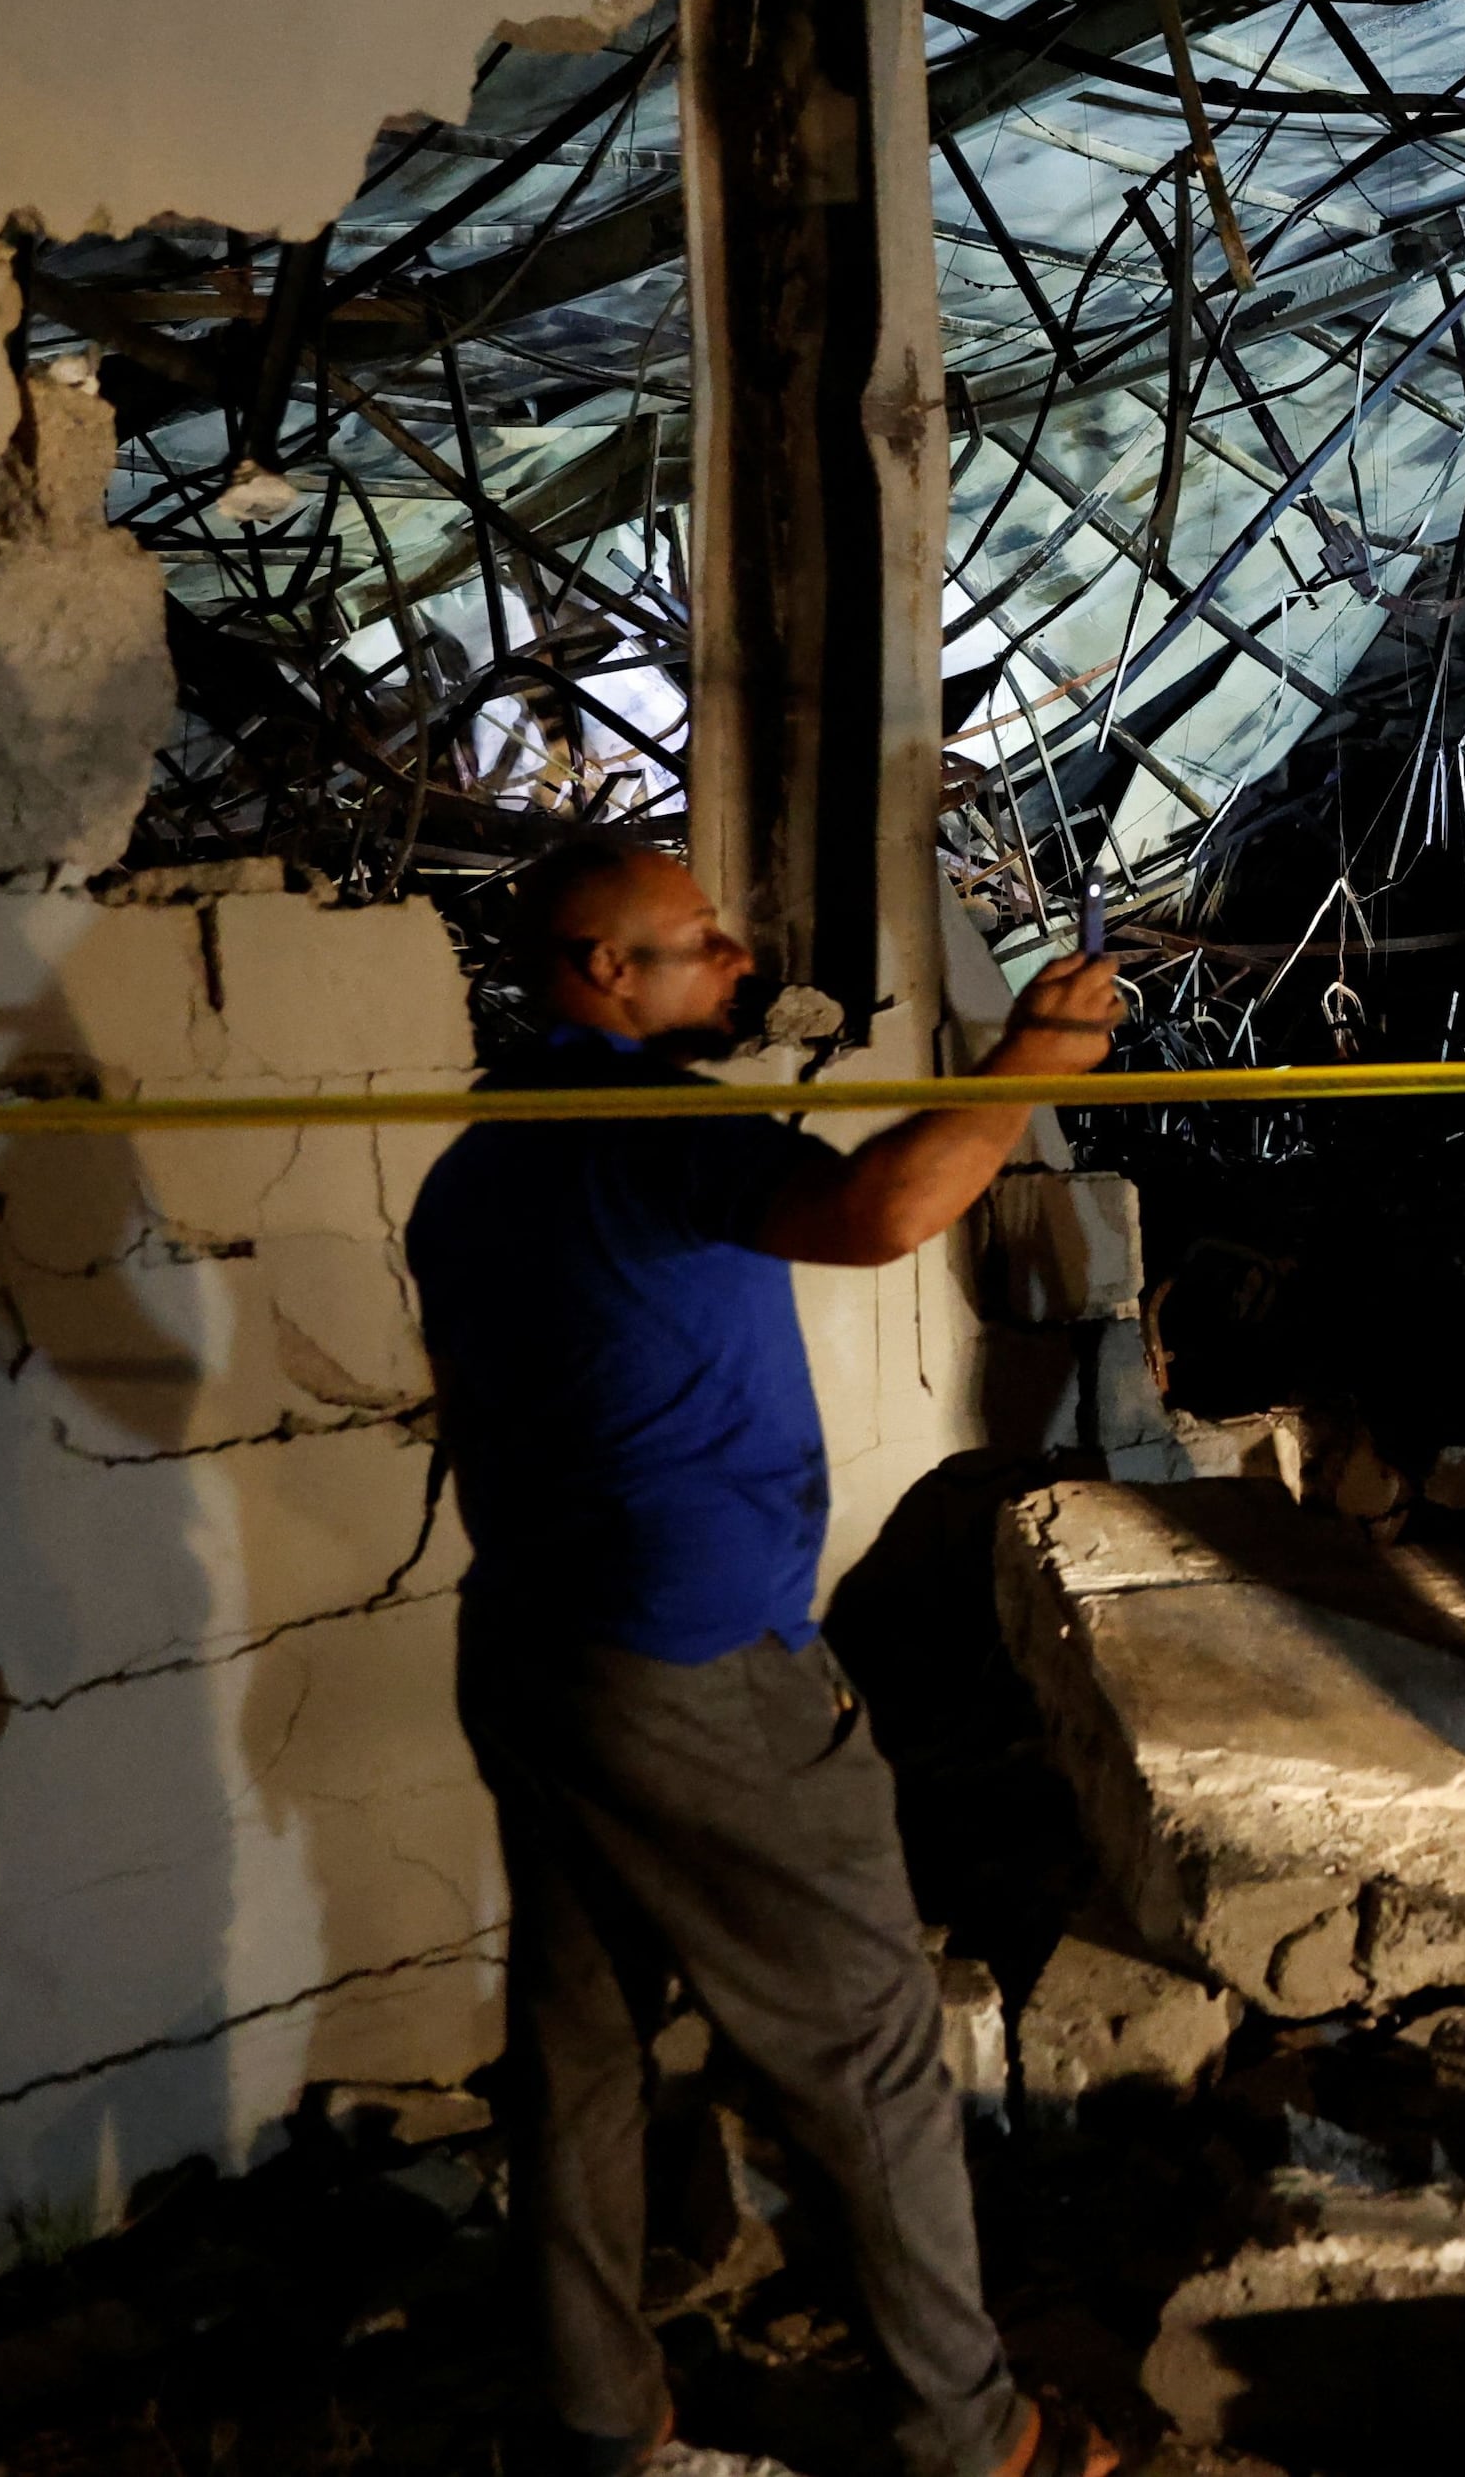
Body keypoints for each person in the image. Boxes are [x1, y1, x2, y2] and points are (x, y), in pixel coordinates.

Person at [410, 844, 1125, 2477]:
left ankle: (598, 2412)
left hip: (538, 1643)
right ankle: (973, 2433)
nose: (736, 960)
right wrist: (1033, 1065)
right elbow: (880, 1208)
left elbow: (466, 1402)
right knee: (865, 2031)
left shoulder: (474, 1171)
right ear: (603, 972)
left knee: (582, 2043)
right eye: (697, 942)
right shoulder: (649, 1123)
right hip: (694, 1666)